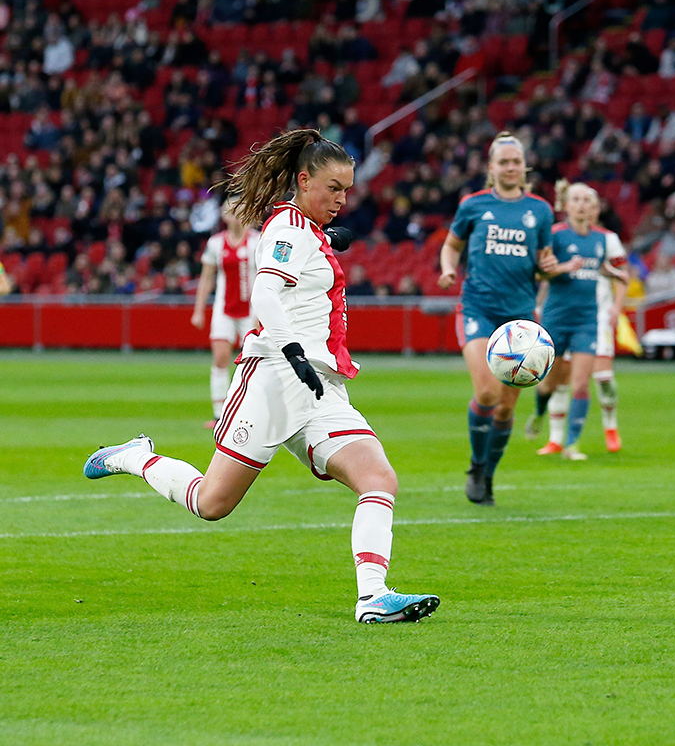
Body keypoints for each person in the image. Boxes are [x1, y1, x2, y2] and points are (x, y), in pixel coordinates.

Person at [84, 129, 439, 624]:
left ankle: (373, 596)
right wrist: (291, 347)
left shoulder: (306, 231)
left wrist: (324, 242)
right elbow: (267, 294)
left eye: (347, 190)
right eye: (333, 188)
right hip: (274, 375)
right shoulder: (289, 228)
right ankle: (135, 458)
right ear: (303, 179)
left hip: (322, 385)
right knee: (212, 503)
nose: (342, 199)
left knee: (379, 478)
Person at [438, 132, 559, 503]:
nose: (510, 167)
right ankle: (476, 466)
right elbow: (452, 245)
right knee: (487, 392)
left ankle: (489, 472)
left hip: (521, 317)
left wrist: (549, 267)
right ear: (491, 168)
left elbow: (543, 263)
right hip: (478, 308)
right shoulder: (473, 205)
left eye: (516, 161)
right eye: (503, 162)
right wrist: (447, 269)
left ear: (525, 167)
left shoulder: (540, 210)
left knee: (507, 406)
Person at [525, 181, 628, 460]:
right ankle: (539, 412)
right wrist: (562, 268)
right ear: (566, 205)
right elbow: (539, 273)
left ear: (594, 207)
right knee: (550, 383)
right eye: (576, 199)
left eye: (587, 200)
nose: (581, 204)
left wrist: (614, 275)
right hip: (556, 317)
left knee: (581, 383)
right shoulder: (556, 235)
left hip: (587, 318)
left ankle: (571, 444)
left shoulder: (600, 239)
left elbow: (598, 267)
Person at [191, 205, 260, 426]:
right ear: (225, 216)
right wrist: (199, 310)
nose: (237, 218)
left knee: (253, 360)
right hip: (224, 309)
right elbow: (206, 278)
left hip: (251, 310)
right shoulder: (216, 243)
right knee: (221, 358)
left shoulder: (257, 241)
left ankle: (252, 409)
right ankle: (219, 413)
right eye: (233, 213)